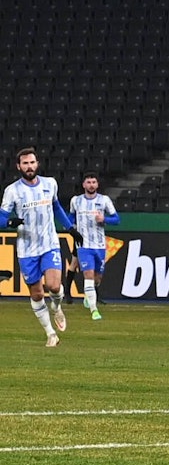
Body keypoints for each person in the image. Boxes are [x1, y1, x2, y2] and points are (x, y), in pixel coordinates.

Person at [1, 147, 76, 347]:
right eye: (25, 163)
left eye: (32, 162)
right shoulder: (12, 191)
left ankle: (57, 307)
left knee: (53, 286)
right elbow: (1, 218)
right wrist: (8, 223)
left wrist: (70, 228)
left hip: (49, 244)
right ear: (19, 166)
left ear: (37, 164)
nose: (29, 166)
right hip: (26, 250)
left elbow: (56, 207)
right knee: (36, 293)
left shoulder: (50, 183)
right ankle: (51, 334)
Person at [68, 172, 120, 320]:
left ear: (97, 185)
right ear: (84, 185)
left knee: (97, 278)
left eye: (93, 182)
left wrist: (105, 219)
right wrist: (71, 228)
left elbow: (117, 219)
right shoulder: (76, 201)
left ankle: (88, 295)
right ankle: (94, 310)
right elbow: (70, 217)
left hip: (100, 245)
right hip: (83, 245)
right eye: (88, 182)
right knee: (88, 276)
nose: (91, 185)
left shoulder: (104, 200)